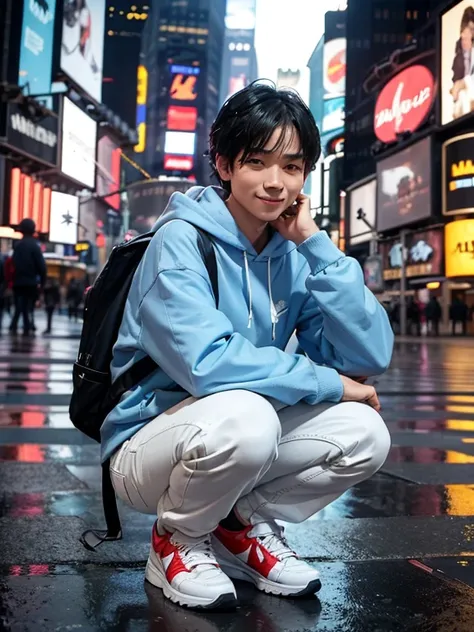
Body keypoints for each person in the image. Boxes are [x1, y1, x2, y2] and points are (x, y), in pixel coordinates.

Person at [102, 82, 394, 610]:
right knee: (249, 414)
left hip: (231, 431)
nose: (275, 183)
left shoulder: (291, 252)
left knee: (365, 433)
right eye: (257, 162)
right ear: (223, 162)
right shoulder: (181, 241)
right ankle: (177, 539)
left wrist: (317, 246)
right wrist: (329, 382)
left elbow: (368, 357)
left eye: (292, 166)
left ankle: (237, 527)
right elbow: (207, 364)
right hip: (146, 449)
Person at [9, 218, 46, 336]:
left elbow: (12, 265)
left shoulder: (17, 246)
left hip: (18, 282)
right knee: (28, 307)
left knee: (19, 306)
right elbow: (41, 266)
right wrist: (42, 282)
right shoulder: (35, 246)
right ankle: (26, 327)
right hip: (31, 282)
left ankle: (14, 325)